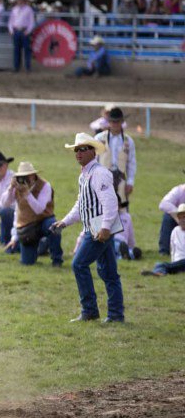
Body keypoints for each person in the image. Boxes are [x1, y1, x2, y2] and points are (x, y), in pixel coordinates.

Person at [52, 133, 124, 323]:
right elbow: (81, 204)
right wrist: (65, 222)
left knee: (79, 264)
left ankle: (90, 310)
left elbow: (110, 202)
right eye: (77, 150)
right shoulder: (85, 175)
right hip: (97, 228)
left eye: (83, 149)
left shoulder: (99, 173)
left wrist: (106, 227)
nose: (78, 153)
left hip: (99, 228)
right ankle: (116, 315)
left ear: (93, 151)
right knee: (109, 273)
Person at [1, 161, 62, 266]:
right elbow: (5, 204)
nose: (24, 179)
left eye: (26, 176)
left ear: (33, 175)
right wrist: (11, 188)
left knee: (53, 226)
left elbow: (39, 209)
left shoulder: (44, 186)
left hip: (44, 221)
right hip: (27, 226)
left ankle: (57, 259)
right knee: (27, 262)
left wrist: (27, 194)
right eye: (21, 177)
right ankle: (42, 245)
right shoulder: (17, 188)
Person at [94, 107, 136, 206]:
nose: (115, 124)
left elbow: (131, 163)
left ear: (122, 122)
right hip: (102, 179)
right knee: (101, 209)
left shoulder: (129, 141)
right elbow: (94, 161)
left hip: (120, 180)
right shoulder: (99, 138)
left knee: (121, 209)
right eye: (113, 122)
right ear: (109, 122)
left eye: (118, 122)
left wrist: (130, 182)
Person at [142, 203, 185, 277]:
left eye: (184, 217)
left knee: (161, 265)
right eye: (180, 217)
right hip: (178, 262)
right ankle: (160, 272)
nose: (182, 220)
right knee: (160, 264)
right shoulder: (175, 231)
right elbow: (173, 249)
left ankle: (160, 272)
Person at [157, 177, 185, 256]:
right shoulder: (179, 191)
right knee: (167, 217)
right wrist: (179, 216)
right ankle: (164, 250)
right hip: (178, 221)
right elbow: (163, 204)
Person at [8, 0, 35, 72]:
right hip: (16, 31)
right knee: (16, 50)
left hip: (24, 31)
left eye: (20, 0)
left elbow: (31, 22)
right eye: (18, 0)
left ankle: (28, 67)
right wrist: (11, 30)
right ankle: (16, 67)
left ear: (24, 0)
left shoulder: (29, 9)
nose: (19, 1)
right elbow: (11, 21)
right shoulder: (14, 9)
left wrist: (28, 31)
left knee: (26, 50)